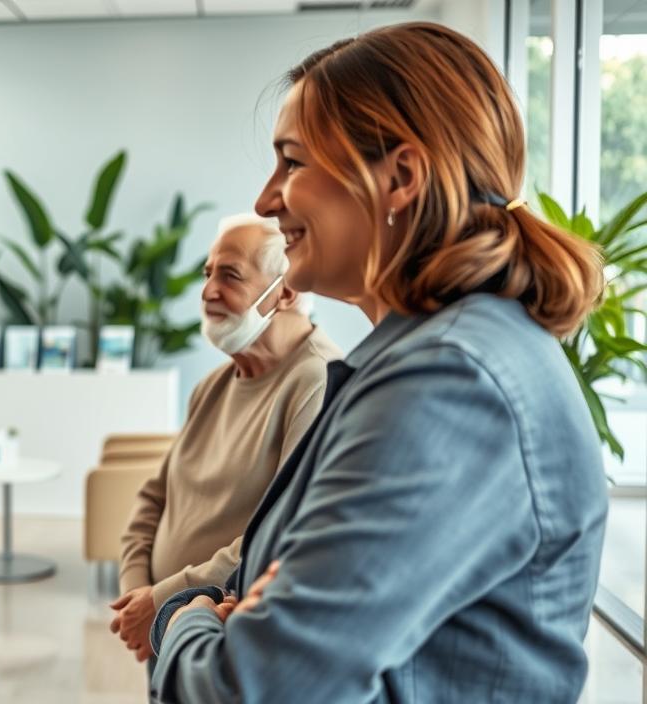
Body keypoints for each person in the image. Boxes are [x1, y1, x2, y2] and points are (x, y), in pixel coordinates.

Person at [149, 21, 608, 703]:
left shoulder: (449, 383)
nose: (266, 199)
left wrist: (182, 623)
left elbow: (252, 688)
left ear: (399, 177)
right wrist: (250, 601)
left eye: (292, 162)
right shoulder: (440, 357)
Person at [110, 214, 340, 663]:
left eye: (229, 274)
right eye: (207, 272)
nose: (208, 290)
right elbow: (153, 498)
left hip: (222, 642)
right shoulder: (213, 384)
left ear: (286, 291)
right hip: (163, 630)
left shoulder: (318, 381)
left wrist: (162, 600)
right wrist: (137, 596)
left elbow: (280, 535)